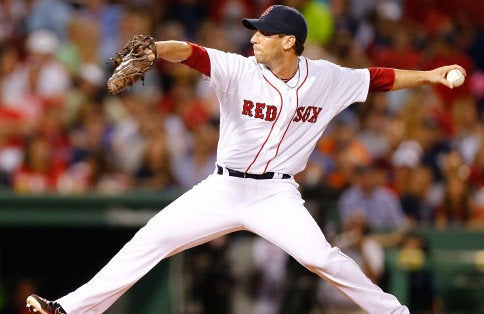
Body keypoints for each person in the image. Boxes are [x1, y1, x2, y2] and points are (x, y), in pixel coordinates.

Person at [26, 5, 465, 314]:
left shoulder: (327, 78)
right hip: (223, 188)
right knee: (151, 240)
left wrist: (430, 75)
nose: (253, 37)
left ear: (289, 41)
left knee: (323, 258)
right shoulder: (239, 69)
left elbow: (378, 78)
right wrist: (156, 49)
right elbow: (193, 52)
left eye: (263, 32)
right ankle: (70, 308)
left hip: (275, 192)